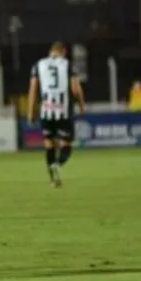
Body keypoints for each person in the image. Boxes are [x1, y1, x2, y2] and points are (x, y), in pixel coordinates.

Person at [27, 42, 86, 188]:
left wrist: (30, 112)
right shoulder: (68, 65)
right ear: (63, 52)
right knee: (66, 144)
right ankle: (58, 164)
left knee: (49, 144)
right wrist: (81, 105)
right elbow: (76, 89)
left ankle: (54, 181)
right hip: (63, 110)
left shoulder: (38, 65)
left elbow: (33, 89)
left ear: (50, 51)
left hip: (46, 110)